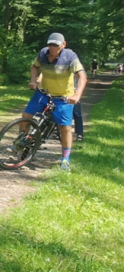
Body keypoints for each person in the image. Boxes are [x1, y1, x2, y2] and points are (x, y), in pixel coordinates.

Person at [24, 32, 86, 172]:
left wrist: (77, 95)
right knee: (26, 116)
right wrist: (33, 80)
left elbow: (82, 76)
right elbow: (35, 66)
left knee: (66, 127)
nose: (52, 48)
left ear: (63, 45)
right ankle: (23, 142)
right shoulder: (43, 53)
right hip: (43, 93)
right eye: (50, 44)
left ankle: (65, 158)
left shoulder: (70, 56)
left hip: (63, 97)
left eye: (55, 45)